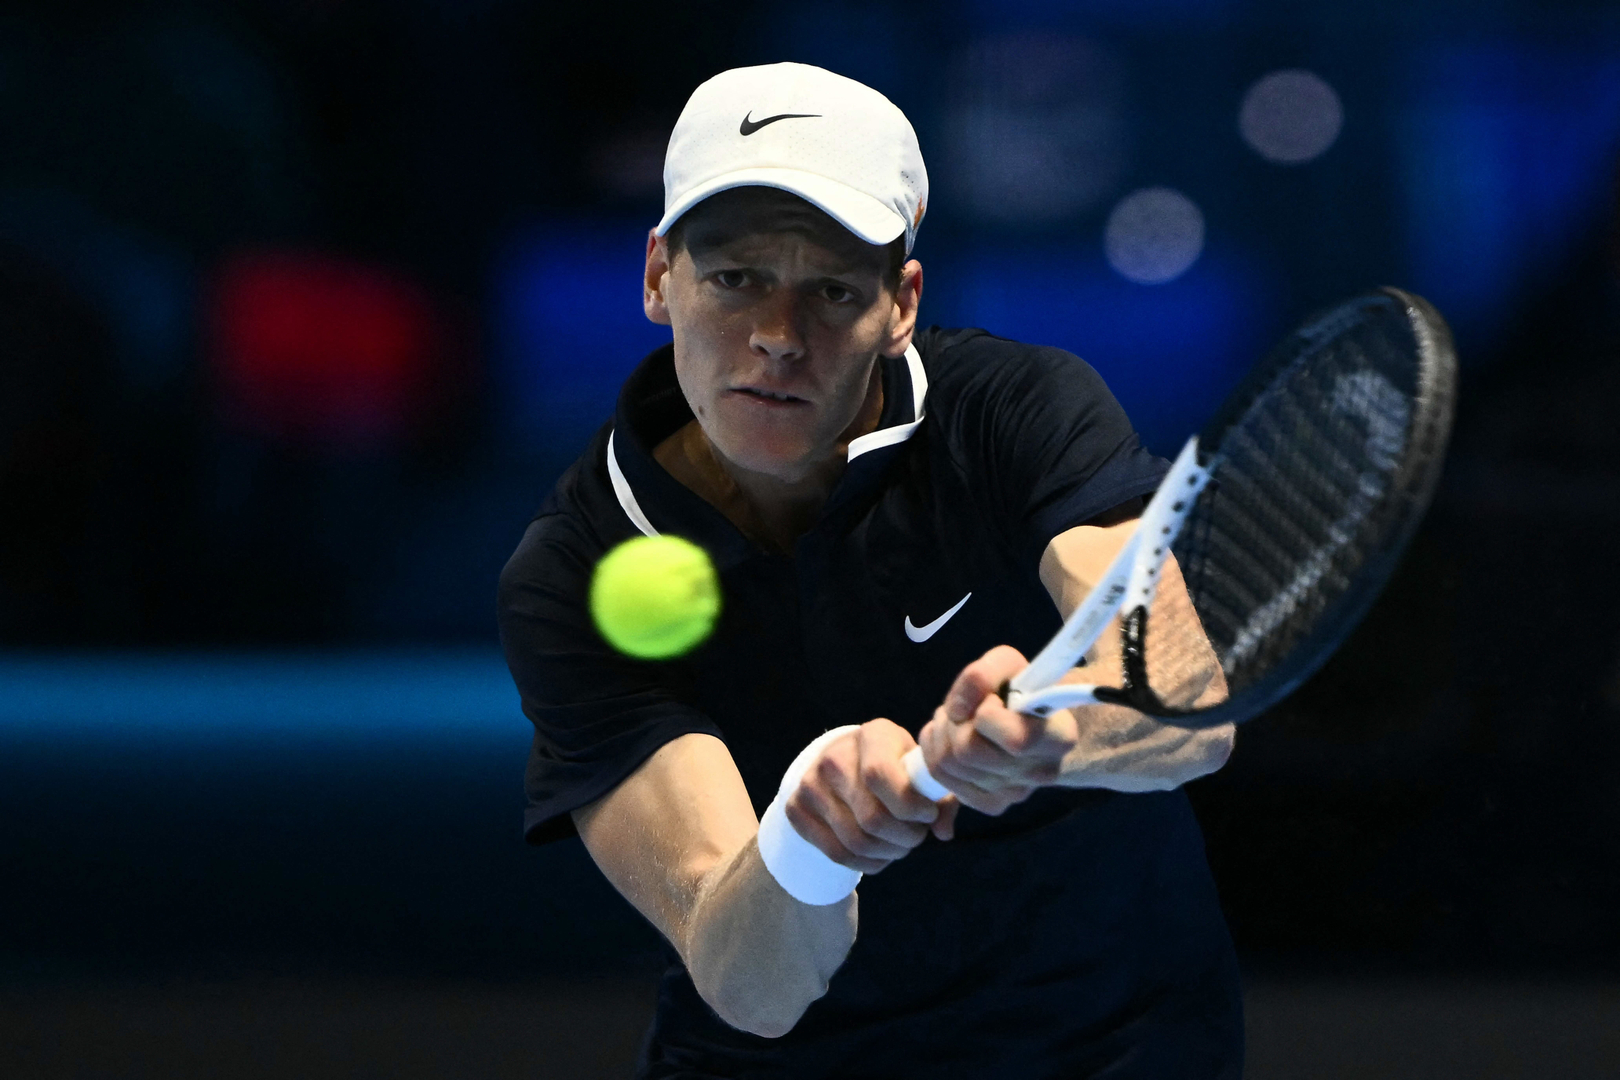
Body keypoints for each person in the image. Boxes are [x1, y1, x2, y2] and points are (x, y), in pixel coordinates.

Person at [499, 62, 1243, 1078]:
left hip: (1111, 1043)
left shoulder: (1018, 413)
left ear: (901, 305)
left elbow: (1188, 700)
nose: (777, 337)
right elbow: (749, 985)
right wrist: (810, 844)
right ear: (659, 276)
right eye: (735, 278)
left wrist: (1047, 735)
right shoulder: (573, 569)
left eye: (832, 291)